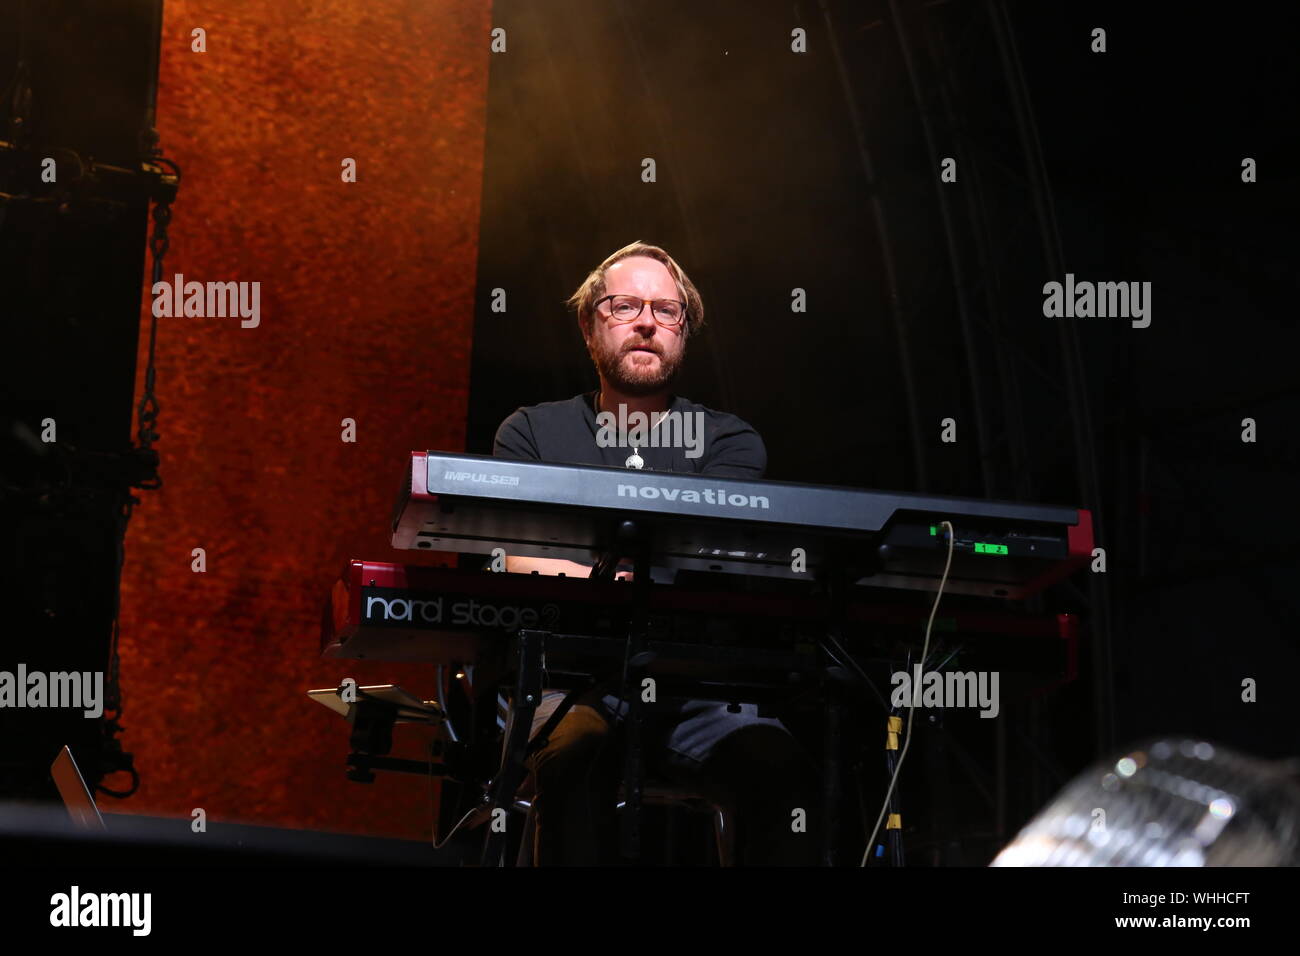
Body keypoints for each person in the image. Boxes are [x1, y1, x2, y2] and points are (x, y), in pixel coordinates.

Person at [492, 240, 819, 865]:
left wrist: (593, 571)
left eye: (666, 311)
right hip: (567, 684)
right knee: (573, 752)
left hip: (695, 690)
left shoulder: (728, 441)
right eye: (624, 306)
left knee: (777, 766)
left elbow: (709, 557)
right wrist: (621, 575)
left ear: (684, 335)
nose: (646, 321)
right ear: (591, 327)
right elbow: (519, 556)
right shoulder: (532, 432)